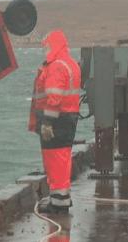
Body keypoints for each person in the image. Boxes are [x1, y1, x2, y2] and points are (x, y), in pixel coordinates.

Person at [28, 30, 81, 214]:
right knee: (62, 158)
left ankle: (58, 204)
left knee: (55, 160)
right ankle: (61, 199)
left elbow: (54, 97)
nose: (46, 49)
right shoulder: (70, 63)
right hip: (68, 117)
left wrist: (48, 122)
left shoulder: (57, 66)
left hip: (56, 120)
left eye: (47, 46)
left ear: (55, 45)